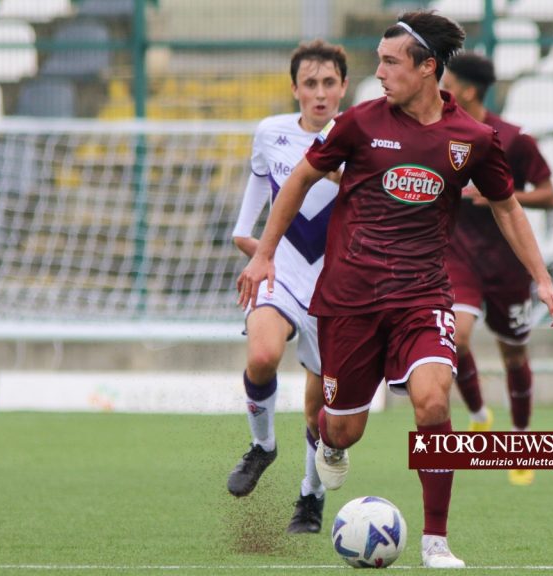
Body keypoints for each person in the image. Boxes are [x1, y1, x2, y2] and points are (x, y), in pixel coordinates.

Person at [236, 11, 553, 568]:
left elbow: (508, 206)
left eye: (390, 62)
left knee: (433, 401)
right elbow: (300, 178)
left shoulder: (472, 138)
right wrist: (265, 252)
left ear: (426, 68)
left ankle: (435, 540)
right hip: (349, 300)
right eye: (379, 61)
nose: (379, 72)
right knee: (342, 428)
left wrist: (542, 280)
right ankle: (329, 444)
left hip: (423, 296)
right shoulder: (359, 123)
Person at [226, 40, 349, 535]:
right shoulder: (271, 132)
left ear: (343, 87)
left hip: (336, 286)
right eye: (310, 84)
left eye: (328, 83)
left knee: (320, 412)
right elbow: (261, 183)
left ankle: (310, 496)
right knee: (262, 355)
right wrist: (251, 240)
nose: (319, 93)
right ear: (295, 88)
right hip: (281, 272)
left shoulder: (360, 137)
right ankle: (262, 446)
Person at [440, 52, 553, 487]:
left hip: (508, 263)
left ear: (469, 91)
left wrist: (499, 195)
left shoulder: (514, 139)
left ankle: (520, 442)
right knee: (456, 337)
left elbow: (549, 195)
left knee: (513, 353)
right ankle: (478, 414)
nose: (441, 90)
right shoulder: (440, 133)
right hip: (459, 257)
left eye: (448, 83)